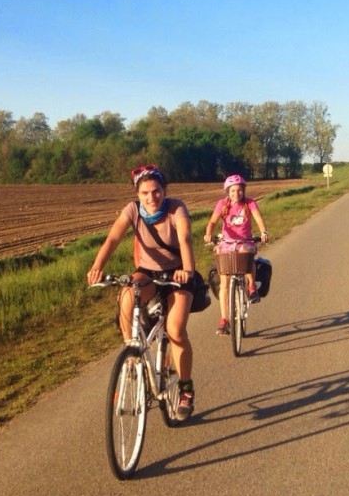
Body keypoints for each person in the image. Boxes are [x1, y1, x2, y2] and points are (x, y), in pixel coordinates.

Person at [87, 164, 197, 420]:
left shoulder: (176, 208)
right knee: (127, 294)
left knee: (176, 331)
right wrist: (97, 267)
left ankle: (185, 389)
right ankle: (132, 354)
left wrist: (188, 270)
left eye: (156, 191)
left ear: (164, 190)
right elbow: (113, 239)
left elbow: (185, 238)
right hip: (148, 272)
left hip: (178, 273)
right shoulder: (132, 210)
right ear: (137, 194)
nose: (151, 197)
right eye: (145, 193)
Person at [203, 173, 269, 335]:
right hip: (226, 242)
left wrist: (263, 232)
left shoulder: (249, 203)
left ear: (243, 190)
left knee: (247, 255)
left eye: (239, 190)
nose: (236, 193)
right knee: (224, 283)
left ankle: (251, 286)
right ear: (227, 191)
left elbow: (258, 218)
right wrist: (208, 233)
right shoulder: (222, 204)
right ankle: (224, 320)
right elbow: (212, 221)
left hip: (245, 241)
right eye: (232, 191)